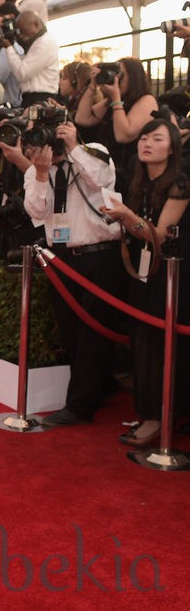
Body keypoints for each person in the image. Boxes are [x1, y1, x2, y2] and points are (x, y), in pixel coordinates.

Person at [20, 121, 125, 427]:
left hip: (100, 256)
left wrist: (75, 147)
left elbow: (103, 178)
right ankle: (100, 385)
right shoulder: (35, 172)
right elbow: (37, 212)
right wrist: (41, 172)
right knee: (72, 334)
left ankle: (80, 406)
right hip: (62, 259)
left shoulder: (95, 153)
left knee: (94, 333)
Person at [101, 118, 189, 445]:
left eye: (157, 138)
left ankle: (158, 418)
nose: (147, 143)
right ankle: (151, 414)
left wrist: (126, 216)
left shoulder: (180, 183)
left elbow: (160, 237)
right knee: (141, 340)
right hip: (144, 270)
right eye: (143, 138)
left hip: (173, 273)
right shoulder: (138, 180)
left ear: (173, 147)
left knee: (157, 344)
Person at [74, 58, 158, 193]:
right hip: (108, 175)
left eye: (120, 75)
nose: (116, 79)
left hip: (129, 175)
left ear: (134, 77)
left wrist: (116, 99)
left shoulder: (146, 100)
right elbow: (82, 118)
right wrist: (92, 86)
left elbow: (123, 135)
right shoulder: (111, 102)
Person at [2, 11, 58, 106]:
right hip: (33, 98)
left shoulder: (44, 43)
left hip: (40, 99)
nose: (21, 35)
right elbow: (23, 64)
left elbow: (22, 73)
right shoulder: (39, 41)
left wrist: (8, 47)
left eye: (23, 30)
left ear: (36, 24)